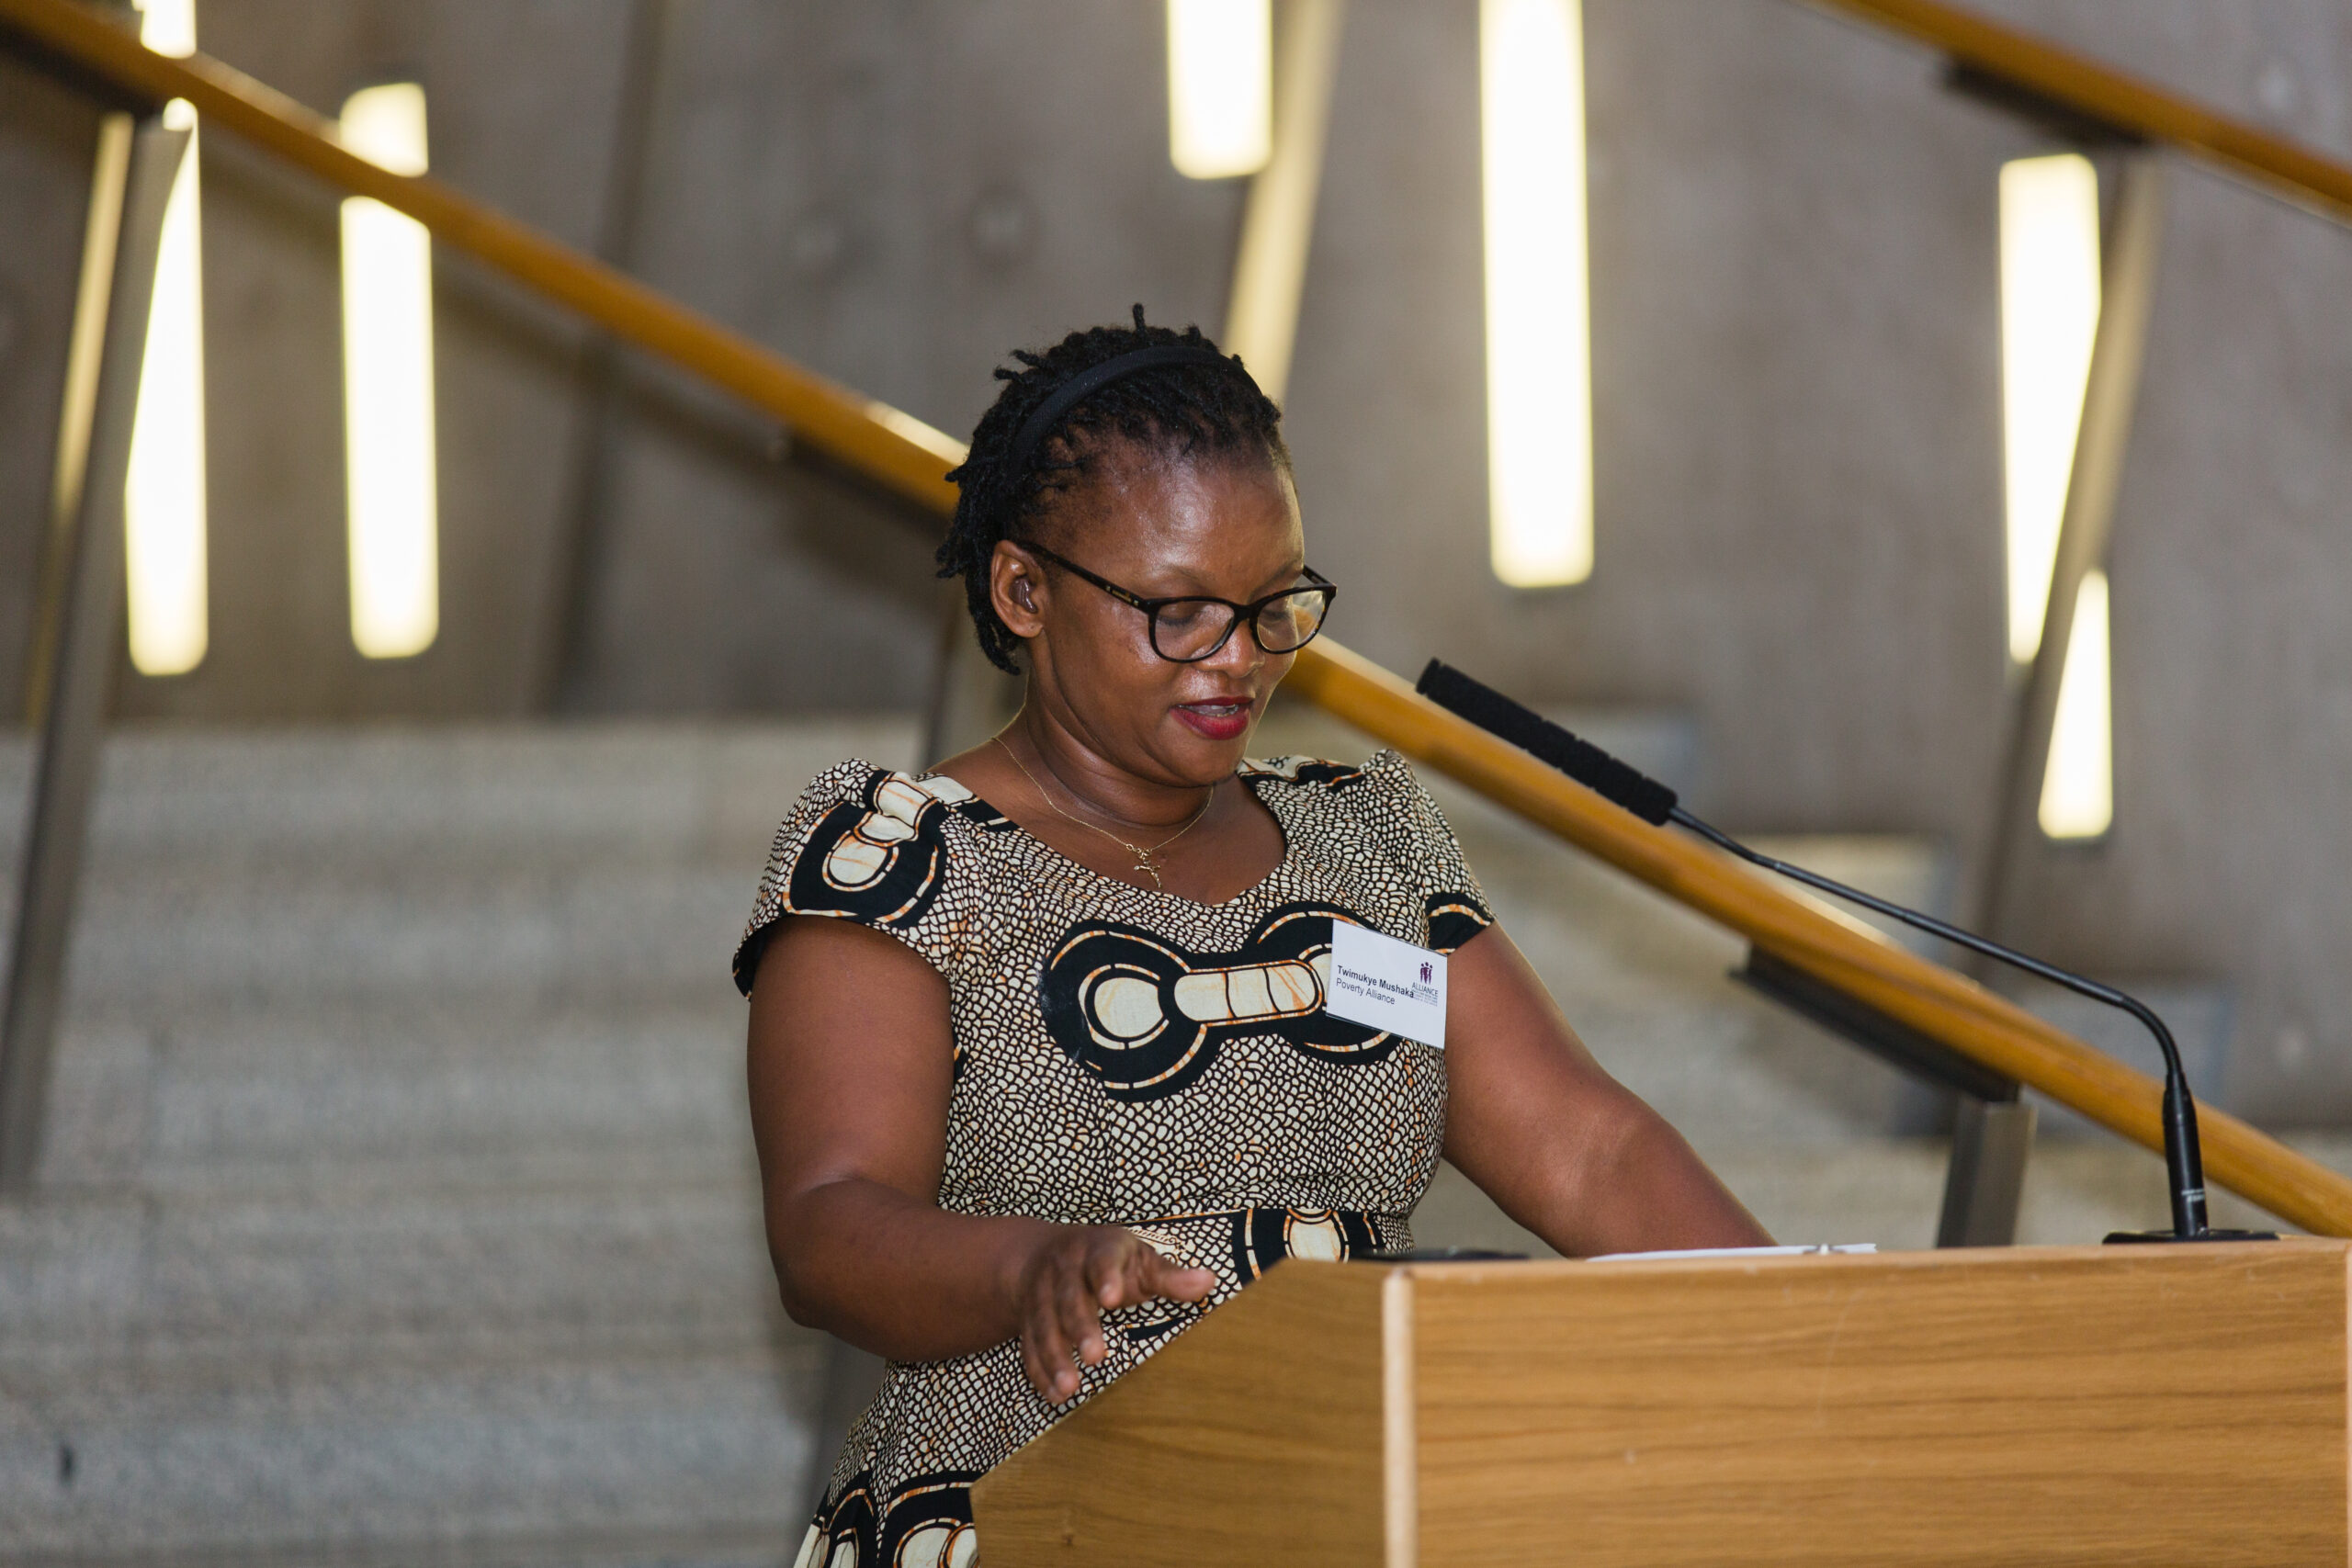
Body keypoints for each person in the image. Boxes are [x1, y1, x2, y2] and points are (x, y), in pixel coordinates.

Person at [738, 310, 1769, 1568]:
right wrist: (1033, 1270)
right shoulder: (902, 858)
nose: (1237, 660)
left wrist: (1807, 1339)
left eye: (1274, 603)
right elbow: (831, 1225)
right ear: (1023, 590)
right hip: (1021, 1516)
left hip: (1347, 1504)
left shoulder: (1366, 834)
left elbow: (1588, 1148)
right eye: (1176, 612)